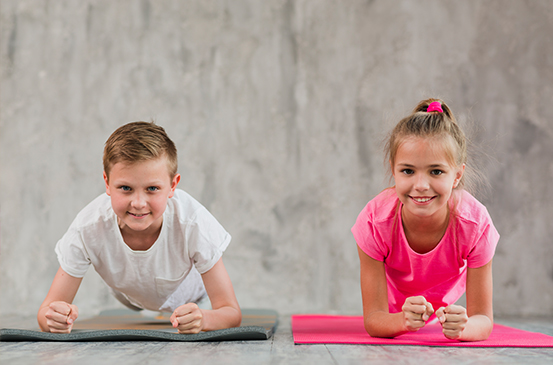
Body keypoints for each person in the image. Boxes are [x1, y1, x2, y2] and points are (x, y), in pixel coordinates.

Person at [38, 121, 241, 334]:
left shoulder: (194, 223)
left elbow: (231, 312)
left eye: (152, 188)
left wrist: (204, 319)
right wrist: (55, 317)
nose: (138, 203)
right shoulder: (87, 228)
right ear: (107, 183)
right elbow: (45, 313)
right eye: (125, 188)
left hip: (189, 294)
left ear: (173, 185)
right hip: (129, 293)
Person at [352, 99, 499, 341]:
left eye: (436, 171)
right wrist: (401, 320)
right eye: (408, 171)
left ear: (457, 175)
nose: (420, 186)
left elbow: (483, 319)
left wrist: (464, 328)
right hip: (394, 304)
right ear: (393, 170)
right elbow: (374, 319)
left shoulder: (475, 225)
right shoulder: (374, 222)